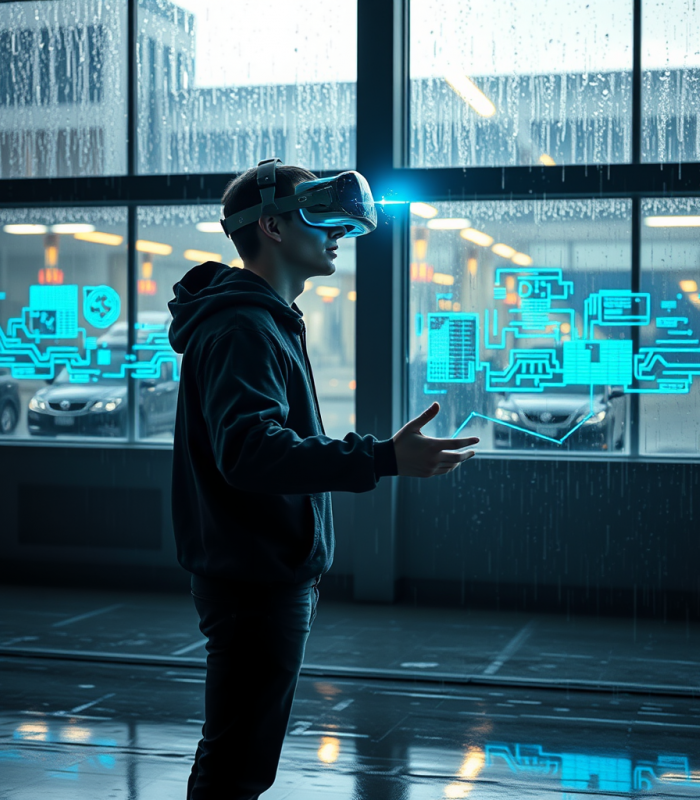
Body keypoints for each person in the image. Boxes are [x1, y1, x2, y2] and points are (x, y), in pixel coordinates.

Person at [167, 159, 479, 800]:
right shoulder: (242, 326)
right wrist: (382, 458)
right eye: (319, 215)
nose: (337, 232)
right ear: (274, 227)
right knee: (236, 766)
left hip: (261, 573)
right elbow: (250, 451)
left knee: (240, 757)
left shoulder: (264, 317)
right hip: (253, 582)